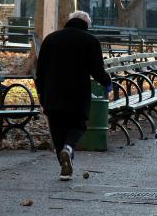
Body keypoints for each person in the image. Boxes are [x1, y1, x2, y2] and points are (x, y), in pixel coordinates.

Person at [36, 10, 112, 181]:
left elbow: (40, 71)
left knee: (57, 130)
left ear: (69, 21)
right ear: (86, 24)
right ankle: (69, 149)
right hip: (78, 93)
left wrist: (41, 94)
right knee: (78, 125)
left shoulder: (51, 39)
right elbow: (97, 70)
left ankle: (64, 167)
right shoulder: (90, 41)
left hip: (52, 93)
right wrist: (108, 84)